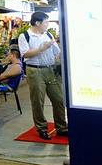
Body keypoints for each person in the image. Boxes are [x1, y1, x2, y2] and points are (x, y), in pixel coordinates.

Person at [18, 11, 68, 140]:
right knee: (38, 101)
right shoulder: (25, 36)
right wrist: (42, 49)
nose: (47, 24)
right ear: (37, 23)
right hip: (34, 71)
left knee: (59, 99)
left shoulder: (48, 34)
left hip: (50, 70)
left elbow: (57, 52)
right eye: (46, 22)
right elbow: (25, 54)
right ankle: (42, 128)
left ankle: (62, 127)